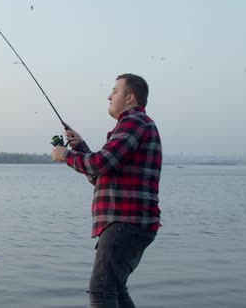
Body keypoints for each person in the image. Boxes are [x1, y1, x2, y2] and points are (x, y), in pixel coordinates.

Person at [51, 73, 162, 308]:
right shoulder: (134, 125)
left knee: (101, 289)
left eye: (115, 91)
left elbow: (102, 162)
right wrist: (80, 147)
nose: (109, 95)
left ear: (130, 97)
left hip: (125, 222)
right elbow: (103, 175)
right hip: (133, 223)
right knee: (116, 290)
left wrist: (67, 155)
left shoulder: (134, 123)